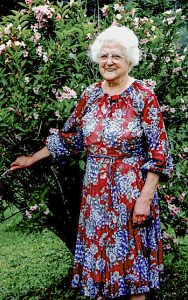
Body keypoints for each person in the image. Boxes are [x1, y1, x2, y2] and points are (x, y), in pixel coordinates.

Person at [11, 26, 173, 300]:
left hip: (130, 194)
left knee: (132, 272)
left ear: (130, 60)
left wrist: (145, 198)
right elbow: (70, 138)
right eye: (104, 55)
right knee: (100, 270)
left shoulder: (143, 96)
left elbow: (159, 152)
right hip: (96, 196)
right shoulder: (90, 95)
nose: (109, 61)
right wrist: (31, 159)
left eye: (116, 56)